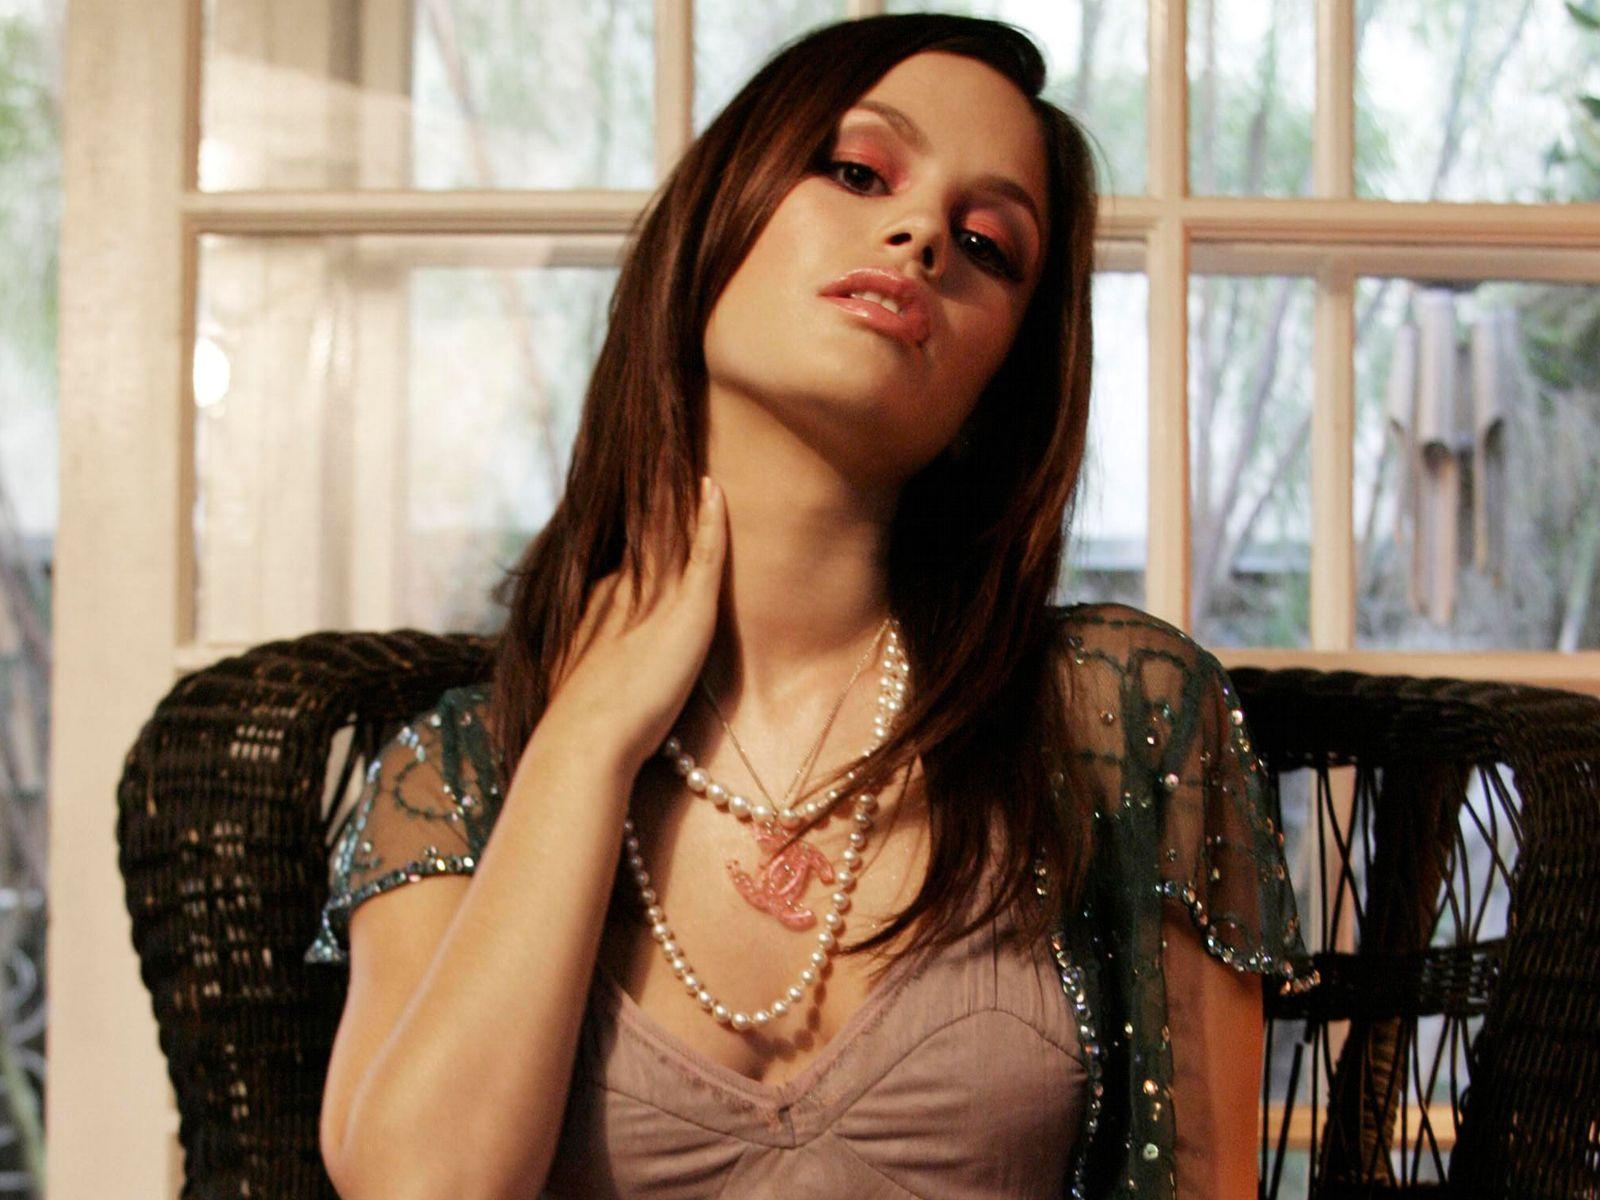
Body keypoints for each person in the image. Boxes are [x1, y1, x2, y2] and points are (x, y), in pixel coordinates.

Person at [305, 14, 1316, 1200]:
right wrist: (586, 742)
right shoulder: (461, 772)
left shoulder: (1109, 715)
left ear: (1002, 381)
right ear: (714, 224)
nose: (921, 234)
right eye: (858, 172)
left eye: (986, 244)